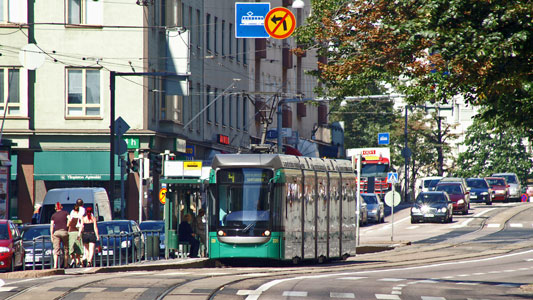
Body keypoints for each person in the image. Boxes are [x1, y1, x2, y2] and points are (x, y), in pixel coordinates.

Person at [50, 202, 69, 268]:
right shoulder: (65, 213)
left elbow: (52, 225)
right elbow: (70, 219)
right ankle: (66, 264)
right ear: (61, 207)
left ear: (55, 208)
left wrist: (51, 235)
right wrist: (67, 225)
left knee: (56, 249)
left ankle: (55, 265)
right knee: (66, 248)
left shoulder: (53, 215)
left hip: (56, 233)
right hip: (64, 232)